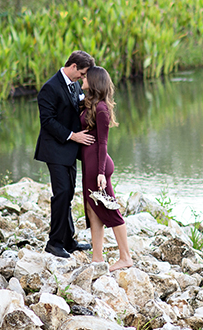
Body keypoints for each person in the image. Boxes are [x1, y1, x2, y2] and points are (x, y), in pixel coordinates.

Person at [34, 50, 96, 258]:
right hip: (55, 148)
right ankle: (54, 243)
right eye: (82, 73)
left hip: (69, 151)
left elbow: (76, 107)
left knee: (68, 194)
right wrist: (73, 136)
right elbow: (48, 121)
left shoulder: (75, 84)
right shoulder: (49, 88)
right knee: (61, 194)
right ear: (73, 67)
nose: (83, 77)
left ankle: (68, 240)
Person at [79, 66, 132, 271]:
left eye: (86, 77)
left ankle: (125, 257)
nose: (83, 79)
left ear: (94, 81)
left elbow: (103, 143)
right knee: (93, 210)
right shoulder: (90, 105)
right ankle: (97, 258)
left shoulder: (101, 109)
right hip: (89, 165)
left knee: (111, 211)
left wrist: (101, 172)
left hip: (98, 167)